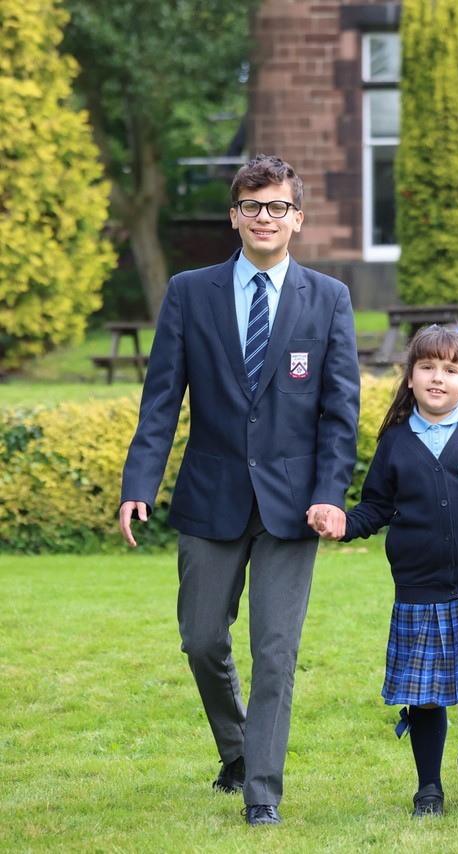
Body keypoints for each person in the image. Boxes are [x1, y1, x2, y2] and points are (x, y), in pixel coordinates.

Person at [118, 154, 361, 827]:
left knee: (275, 652)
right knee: (201, 640)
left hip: (293, 506)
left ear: (298, 219)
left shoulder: (329, 298)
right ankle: (235, 748)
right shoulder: (189, 293)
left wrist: (331, 493)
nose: (264, 218)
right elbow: (161, 399)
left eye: (277, 206)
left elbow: (341, 413)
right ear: (234, 216)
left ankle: (263, 792)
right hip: (209, 495)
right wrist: (139, 482)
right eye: (252, 206)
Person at [311, 325, 458, 819]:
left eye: (450, 370)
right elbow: (374, 506)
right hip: (417, 587)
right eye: (427, 367)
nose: (438, 378)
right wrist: (341, 522)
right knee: (425, 694)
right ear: (410, 378)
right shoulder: (396, 442)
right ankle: (428, 788)